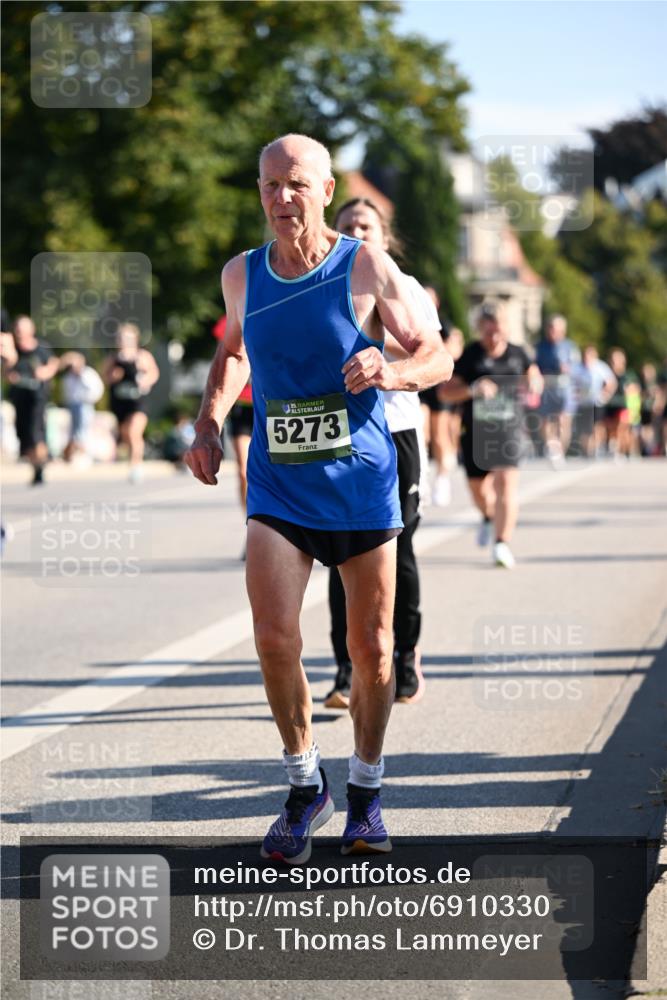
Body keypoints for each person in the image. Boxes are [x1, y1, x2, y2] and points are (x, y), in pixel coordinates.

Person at [185, 134, 452, 863]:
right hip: (279, 480)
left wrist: (393, 370)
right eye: (269, 185)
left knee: (371, 653)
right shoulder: (241, 273)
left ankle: (364, 788)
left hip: (361, 482)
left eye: (295, 184)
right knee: (274, 637)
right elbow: (234, 351)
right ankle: (305, 785)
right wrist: (209, 422)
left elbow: (437, 352)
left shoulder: (365, 266)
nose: (280, 198)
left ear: (326, 190)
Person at [323, 197, 440, 710]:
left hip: (395, 431)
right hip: (341, 434)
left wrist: (378, 356)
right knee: (338, 549)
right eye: (346, 225)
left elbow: (430, 354)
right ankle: (346, 669)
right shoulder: (323, 286)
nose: (355, 232)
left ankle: (406, 654)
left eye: (364, 225)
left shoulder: (406, 287)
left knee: (399, 546)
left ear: (385, 236)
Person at [439, 301, 542, 569]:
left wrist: (533, 383)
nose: (494, 337)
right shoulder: (471, 355)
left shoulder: (519, 354)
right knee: (479, 490)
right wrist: (473, 389)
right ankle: (487, 516)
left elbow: (535, 376)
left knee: (507, 485)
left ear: (506, 328)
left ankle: (502, 543)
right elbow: (445, 392)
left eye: (498, 331)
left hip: (508, 429)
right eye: (488, 332)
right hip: (475, 431)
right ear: (480, 330)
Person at [214, 314, 254, 559]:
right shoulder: (231, 315)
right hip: (241, 405)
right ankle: (252, 529)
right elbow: (224, 355)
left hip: (270, 403)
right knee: (243, 470)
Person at [3, 316, 59, 484]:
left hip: (37, 397)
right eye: (17, 329)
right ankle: (36, 466)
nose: (19, 332)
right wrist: (9, 374)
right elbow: (6, 371)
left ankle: (41, 464)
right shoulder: (13, 350)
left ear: (31, 330)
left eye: (22, 328)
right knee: (23, 434)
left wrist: (45, 372)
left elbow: (53, 363)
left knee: (36, 432)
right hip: (19, 397)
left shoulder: (41, 348)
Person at [102, 323, 159, 482]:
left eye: (127, 338)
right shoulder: (113, 358)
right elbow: (105, 377)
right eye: (120, 338)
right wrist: (113, 377)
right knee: (126, 433)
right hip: (120, 402)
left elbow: (154, 373)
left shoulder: (142, 356)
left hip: (137, 401)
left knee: (134, 431)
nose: (123, 341)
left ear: (135, 339)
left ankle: (136, 465)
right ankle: (134, 455)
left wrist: (145, 380)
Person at [419, 286, 454, 505]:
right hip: (421, 383)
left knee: (441, 436)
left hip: (439, 385)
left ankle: (443, 477)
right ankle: (422, 476)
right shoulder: (411, 320)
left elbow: (450, 352)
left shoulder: (444, 326)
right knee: (422, 432)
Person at [535, 314, 580, 464]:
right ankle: (551, 446)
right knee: (546, 420)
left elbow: (577, 368)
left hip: (565, 388)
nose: (553, 332)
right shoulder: (540, 347)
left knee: (563, 420)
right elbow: (534, 366)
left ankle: (560, 450)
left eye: (556, 329)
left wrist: (568, 368)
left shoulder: (570, 346)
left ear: (563, 330)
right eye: (550, 328)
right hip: (547, 387)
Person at [571, 346, 617, 458]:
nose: (587, 358)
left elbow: (611, 382)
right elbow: (572, 383)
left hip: (597, 402)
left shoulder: (600, 367)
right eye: (585, 355)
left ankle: (598, 447)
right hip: (583, 402)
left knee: (597, 425)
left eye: (589, 355)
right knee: (584, 428)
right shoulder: (578, 367)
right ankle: (587, 450)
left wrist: (606, 395)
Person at [59, 351, 104, 463]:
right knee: (73, 431)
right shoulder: (68, 377)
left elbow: (96, 390)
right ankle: (72, 454)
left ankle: (83, 454)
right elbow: (67, 393)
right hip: (73, 405)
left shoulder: (88, 374)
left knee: (83, 429)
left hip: (85, 405)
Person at [603, 348, 639, 460]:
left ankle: (622, 451)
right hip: (610, 405)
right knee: (611, 428)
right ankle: (615, 448)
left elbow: (634, 389)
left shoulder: (628, 375)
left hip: (624, 405)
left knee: (622, 427)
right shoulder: (607, 374)